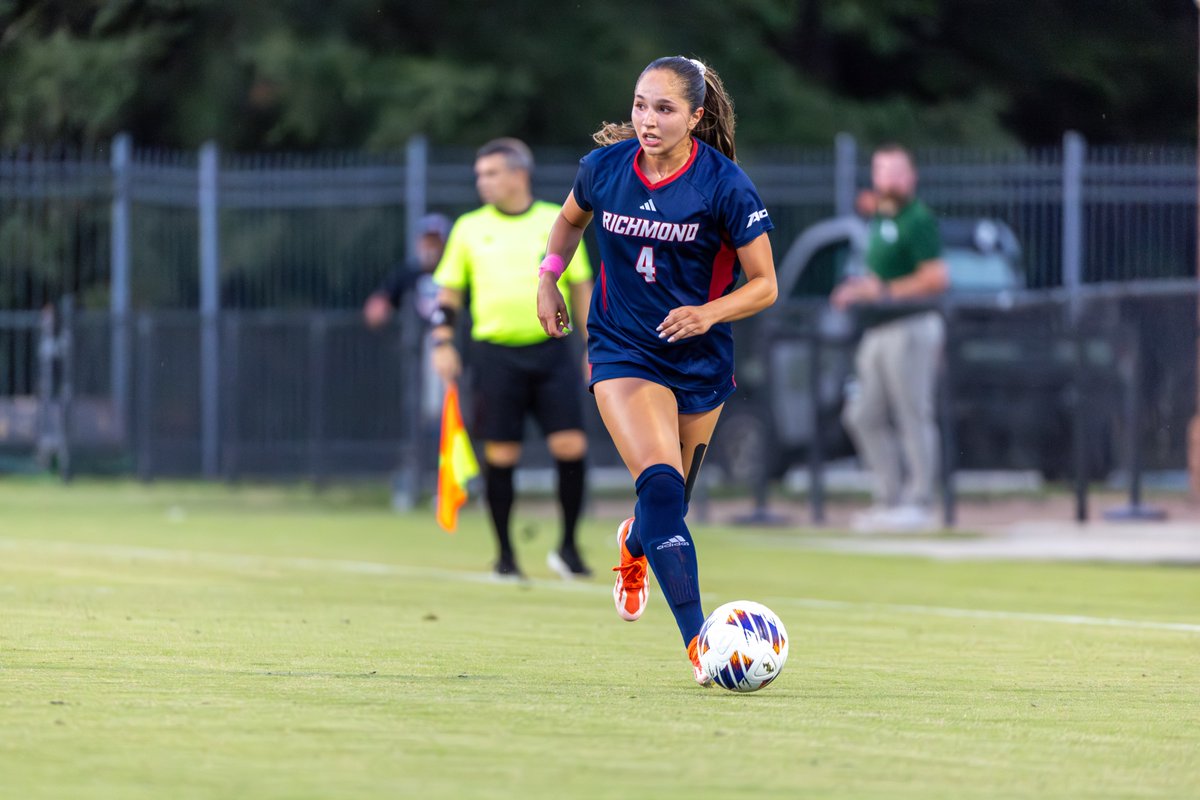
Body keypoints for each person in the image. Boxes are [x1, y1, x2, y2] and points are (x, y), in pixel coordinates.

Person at [536, 56, 778, 686]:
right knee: (664, 488)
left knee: (670, 507)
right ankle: (701, 643)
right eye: (641, 104)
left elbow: (765, 286)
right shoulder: (603, 169)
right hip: (622, 350)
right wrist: (548, 279)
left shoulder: (725, 187)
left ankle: (634, 543)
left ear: (695, 117)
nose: (647, 119)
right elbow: (567, 223)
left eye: (665, 108)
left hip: (698, 359)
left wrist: (706, 314)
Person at [430, 138, 594, 582]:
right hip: (495, 356)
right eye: (479, 175)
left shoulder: (554, 220)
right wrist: (442, 342)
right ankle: (505, 555)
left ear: (519, 175)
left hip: (552, 352)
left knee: (571, 446)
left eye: (491, 173)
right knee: (501, 454)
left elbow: (580, 286)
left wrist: (593, 343)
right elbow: (449, 293)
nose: (483, 182)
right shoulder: (468, 227)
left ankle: (568, 549)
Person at [831, 144, 950, 532]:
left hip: (911, 326)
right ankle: (890, 497)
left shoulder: (917, 219)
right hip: (878, 329)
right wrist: (858, 290)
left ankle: (919, 502)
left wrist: (882, 293)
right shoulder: (882, 218)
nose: (889, 180)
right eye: (882, 172)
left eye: (897, 172)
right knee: (862, 414)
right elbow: (878, 277)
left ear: (910, 177)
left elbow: (935, 278)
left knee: (912, 413)